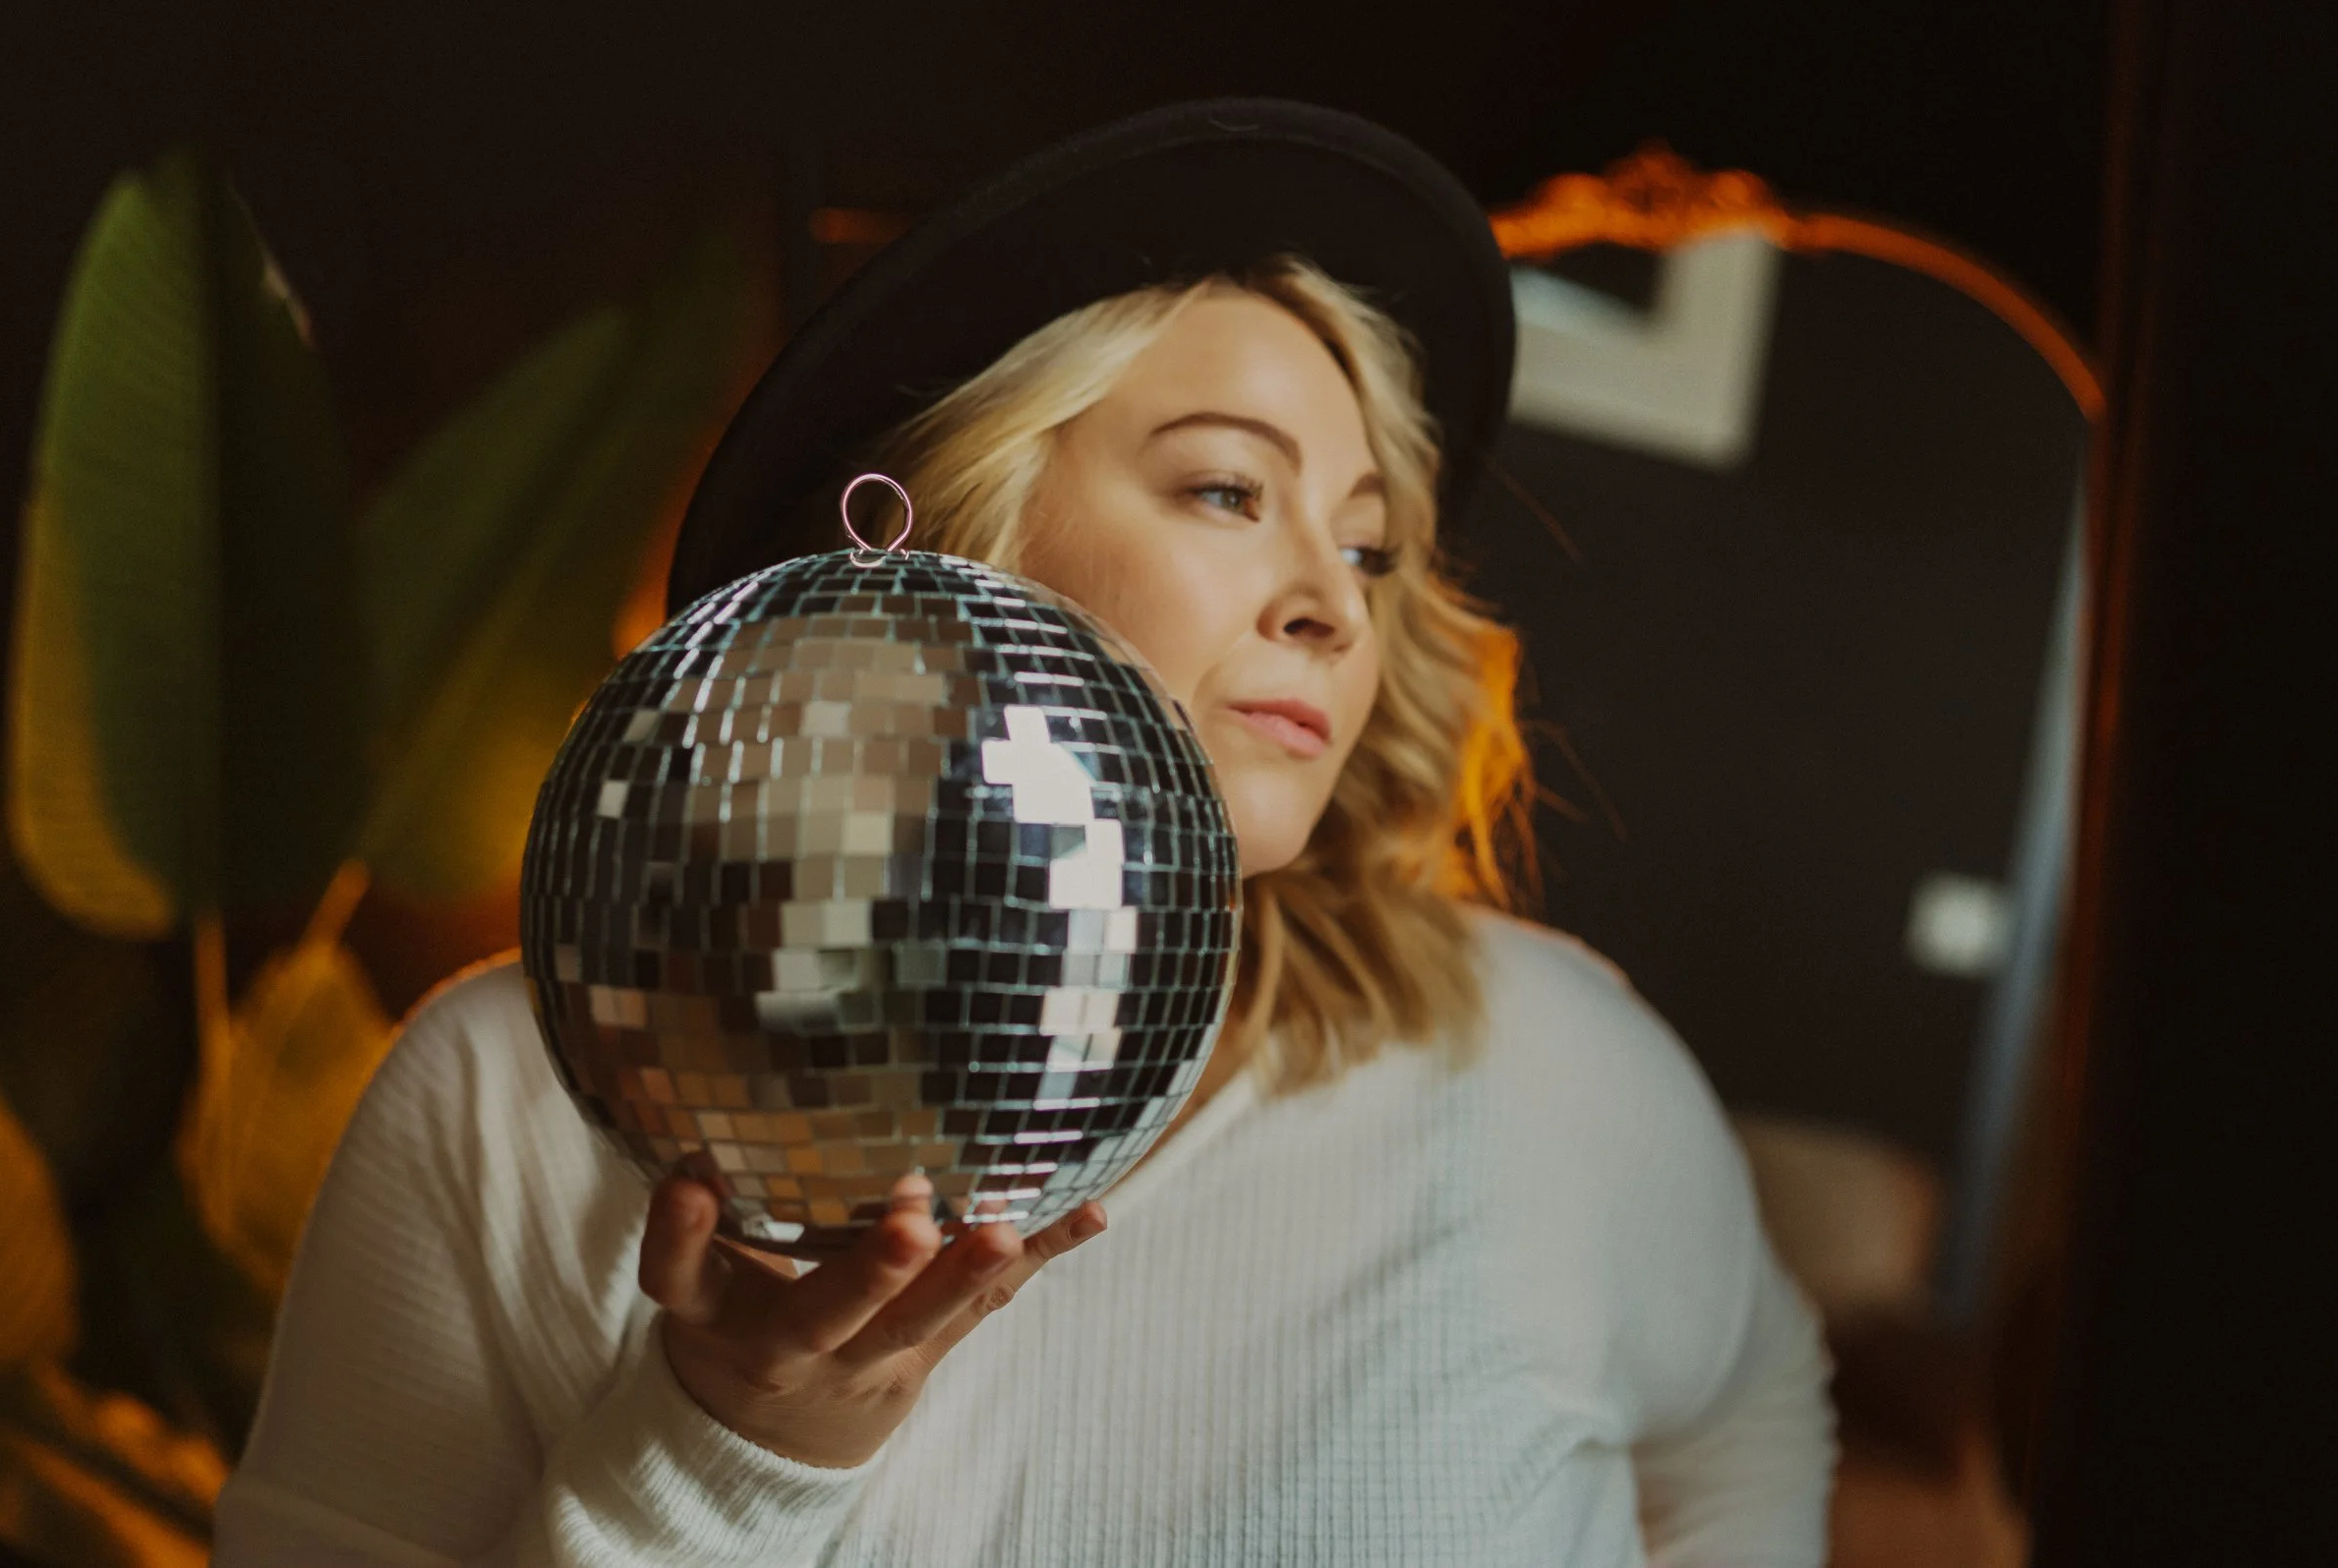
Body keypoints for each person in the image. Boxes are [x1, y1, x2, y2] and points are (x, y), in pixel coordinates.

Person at [214, 100, 1835, 1567]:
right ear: (951, 523)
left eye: (1368, 545)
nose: (1334, 605)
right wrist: (725, 1454)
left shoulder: (1545, 1065)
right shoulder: (500, 1108)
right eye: (1227, 490)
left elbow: (1752, 1412)